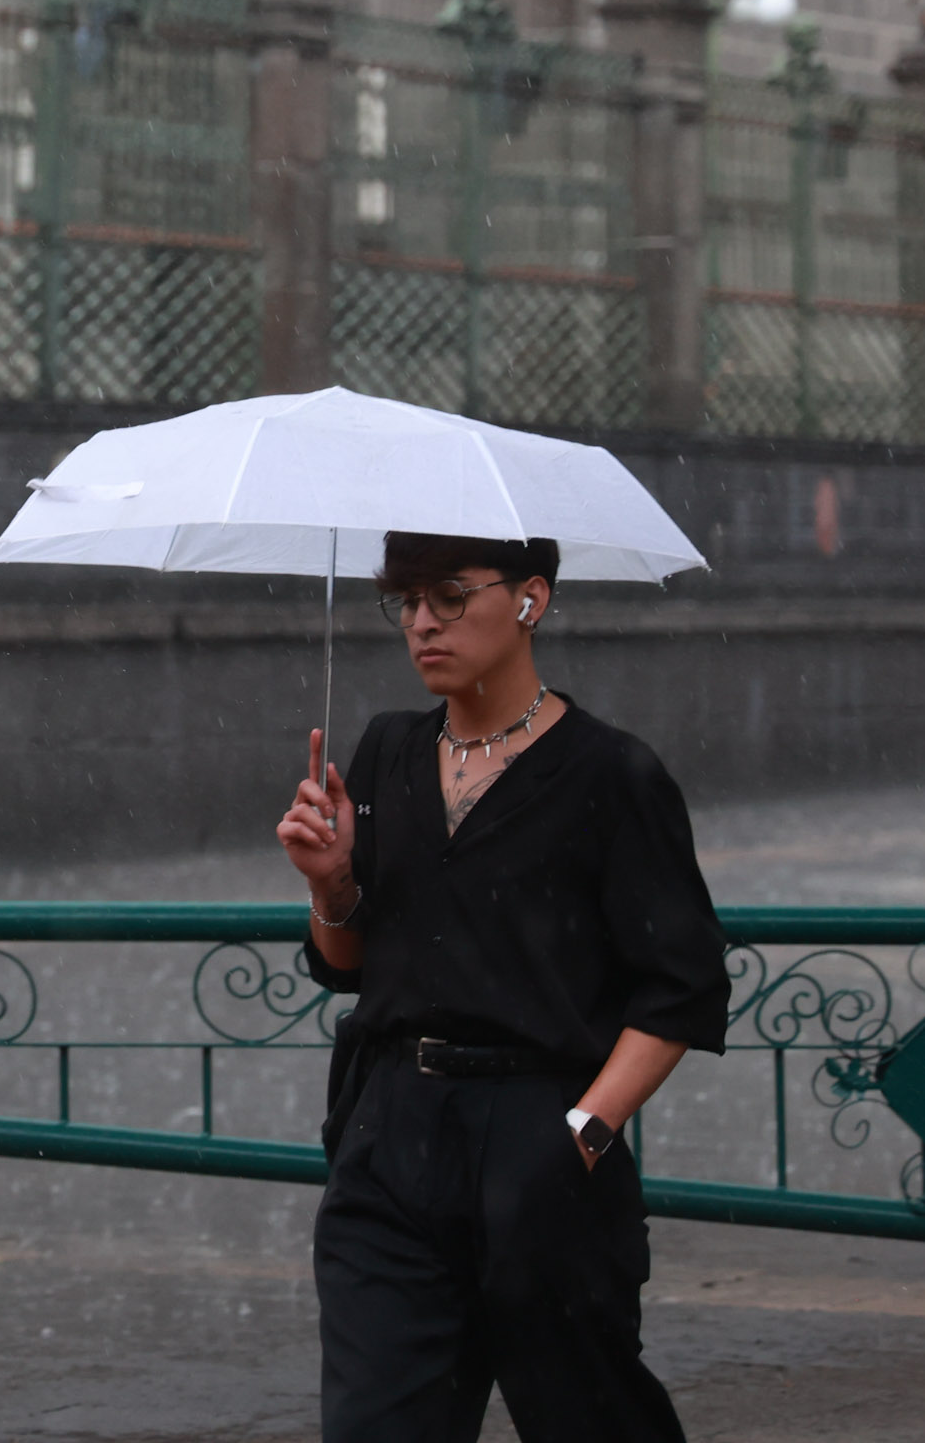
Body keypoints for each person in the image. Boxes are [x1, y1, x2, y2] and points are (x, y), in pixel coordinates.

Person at [276, 531, 729, 1443]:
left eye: (448, 595)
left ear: (532, 599)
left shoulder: (612, 773)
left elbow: (680, 990)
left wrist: (580, 1137)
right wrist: (330, 885)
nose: (421, 623)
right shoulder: (388, 752)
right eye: (404, 602)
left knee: (584, 1415)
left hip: (540, 1130)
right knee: (379, 1423)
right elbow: (349, 962)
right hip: (391, 1129)